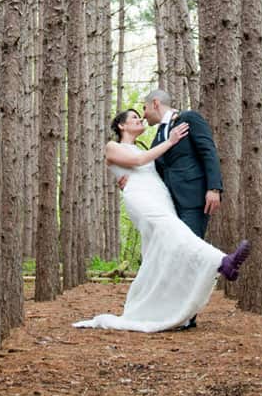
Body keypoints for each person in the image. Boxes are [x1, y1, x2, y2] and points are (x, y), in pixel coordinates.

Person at [74, 108, 250, 334]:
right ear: (121, 126)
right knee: (175, 231)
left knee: (161, 252)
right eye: (134, 118)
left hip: (161, 198)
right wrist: (171, 140)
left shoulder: (145, 148)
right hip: (141, 199)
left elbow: (156, 166)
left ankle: (160, 307)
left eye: (140, 116)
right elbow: (137, 161)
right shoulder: (113, 146)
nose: (140, 120)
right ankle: (222, 262)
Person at [143, 85, 222, 329]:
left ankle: (188, 315)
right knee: (175, 255)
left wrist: (215, 188)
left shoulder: (189, 118)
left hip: (194, 199)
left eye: (145, 108)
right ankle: (177, 312)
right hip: (170, 204)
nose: (144, 114)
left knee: (189, 253)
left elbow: (208, 151)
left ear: (156, 103)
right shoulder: (159, 136)